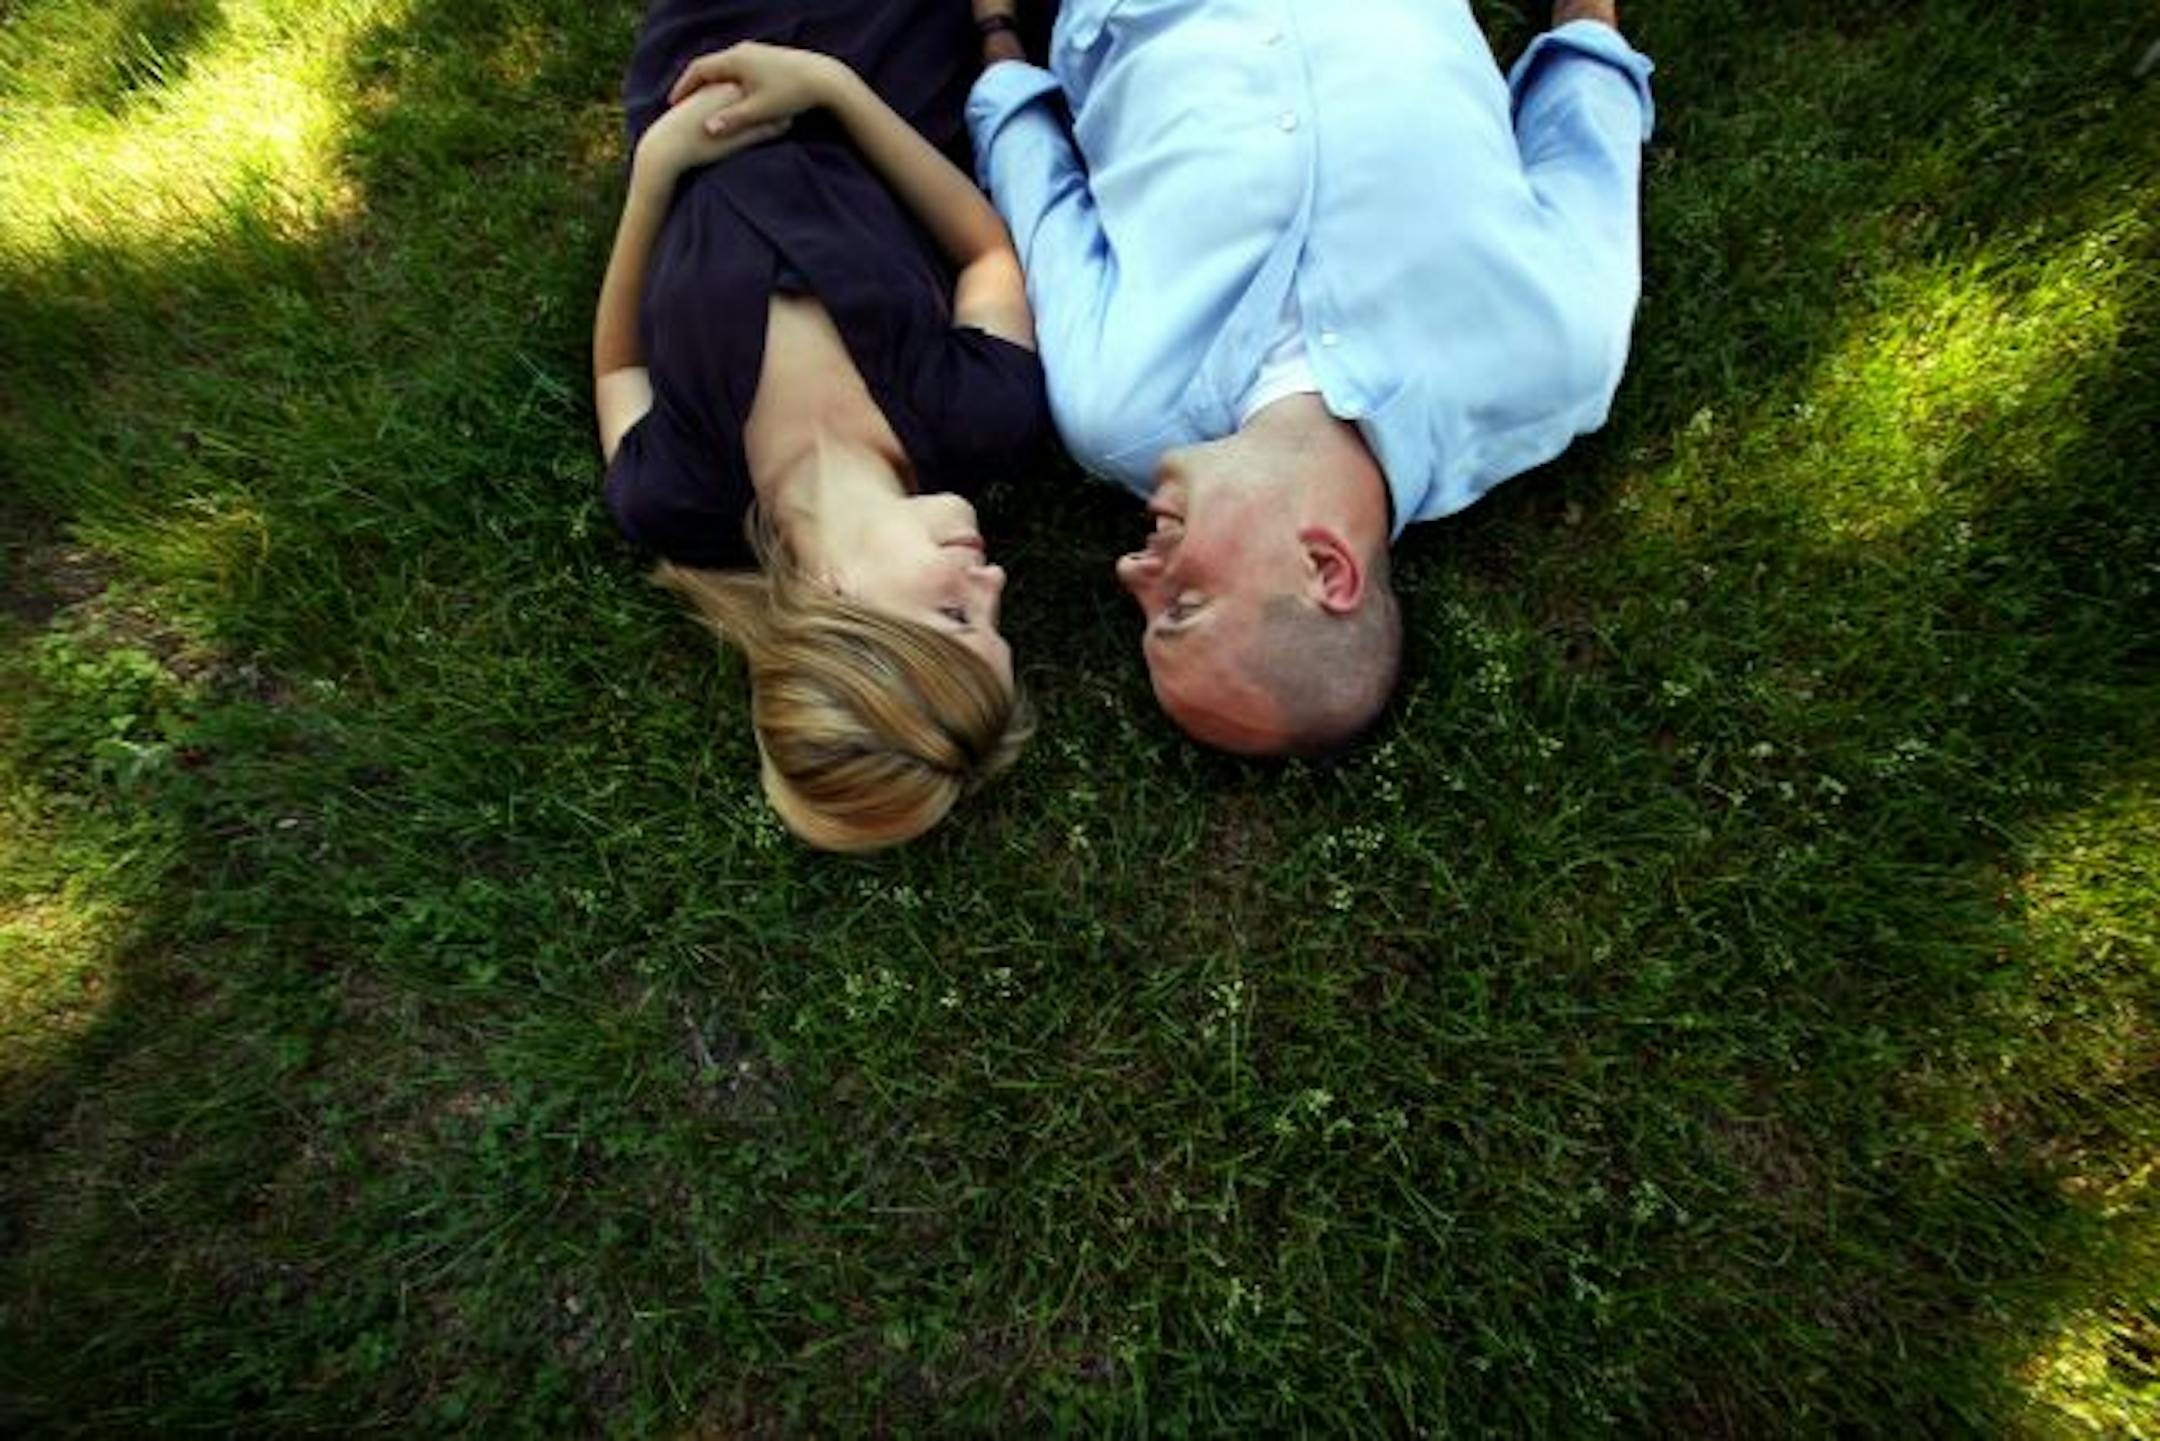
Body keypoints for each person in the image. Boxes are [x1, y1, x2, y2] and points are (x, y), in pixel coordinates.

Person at [965, 0, 1656, 755]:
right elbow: (1588, 118)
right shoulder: (1550, 364)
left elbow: (1039, 188)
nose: (1132, 570)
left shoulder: (1117, 409)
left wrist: (996, 26)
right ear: (1326, 567)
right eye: (1182, 603)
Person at [593, 1, 1053, 851]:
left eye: (960, 618)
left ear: (841, 614)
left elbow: (620, 370)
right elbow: (988, 254)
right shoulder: (979, 420)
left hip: (693, 67)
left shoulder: (679, 495)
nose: (992, 587)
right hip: (896, 67)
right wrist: (836, 91)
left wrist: (655, 171)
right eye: (1000, 624)